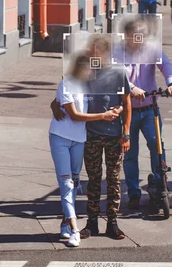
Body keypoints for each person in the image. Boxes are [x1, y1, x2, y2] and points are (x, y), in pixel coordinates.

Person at [52, 35, 131, 240]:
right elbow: (67, 91)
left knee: (113, 180)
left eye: (95, 49)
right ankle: (92, 222)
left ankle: (112, 222)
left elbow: (126, 103)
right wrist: (54, 103)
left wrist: (126, 133)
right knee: (93, 180)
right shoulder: (86, 73)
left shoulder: (118, 72)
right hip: (91, 135)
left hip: (114, 135)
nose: (91, 52)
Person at [118, 19, 172, 209]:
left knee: (156, 145)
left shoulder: (151, 48)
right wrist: (132, 88)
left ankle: (159, 184)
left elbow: (166, 65)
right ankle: (134, 192)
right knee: (130, 153)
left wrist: (171, 82)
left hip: (149, 108)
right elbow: (116, 74)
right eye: (136, 36)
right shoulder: (118, 52)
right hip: (128, 110)